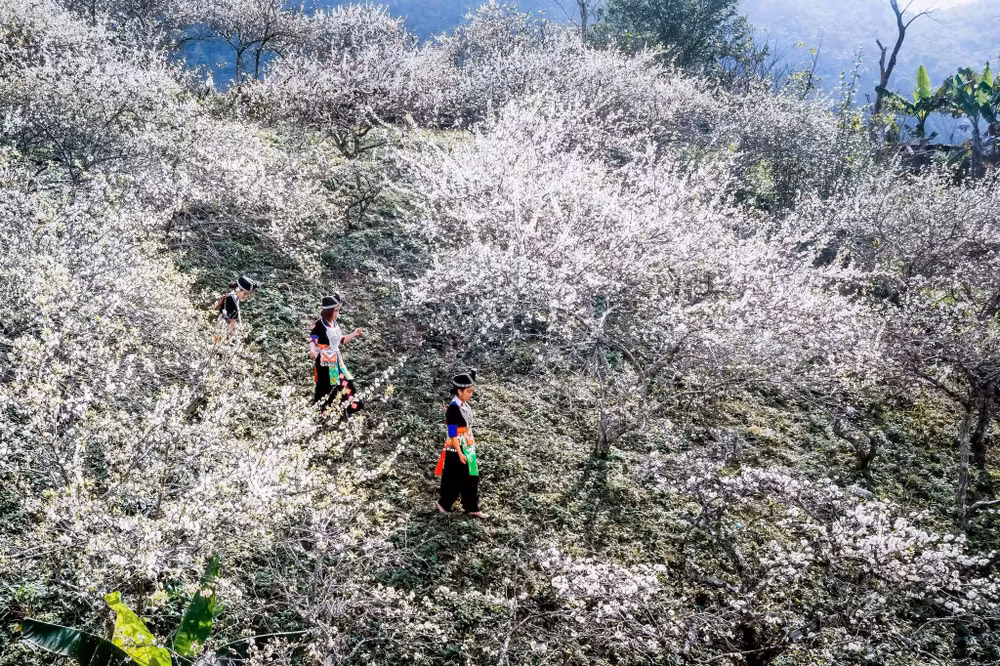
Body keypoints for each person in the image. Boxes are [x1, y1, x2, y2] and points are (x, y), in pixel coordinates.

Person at [435, 370, 485, 518]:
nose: (471, 394)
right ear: (459, 390)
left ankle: (471, 506)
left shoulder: (464, 404)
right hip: (456, 446)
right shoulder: (453, 409)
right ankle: (444, 504)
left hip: (467, 444)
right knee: (455, 476)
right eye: (469, 391)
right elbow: (452, 432)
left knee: (472, 475)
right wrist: (459, 451)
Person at [309, 293, 363, 415]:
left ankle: (349, 408)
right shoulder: (318, 324)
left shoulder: (335, 323)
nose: (337, 314)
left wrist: (354, 334)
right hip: (324, 361)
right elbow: (312, 339)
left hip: (337, 359)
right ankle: (325, 412)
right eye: (335, 311)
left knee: (345, 382)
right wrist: (312, 350)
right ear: (328, 311)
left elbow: (341, 340)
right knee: (327, 386)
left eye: (338, 311)